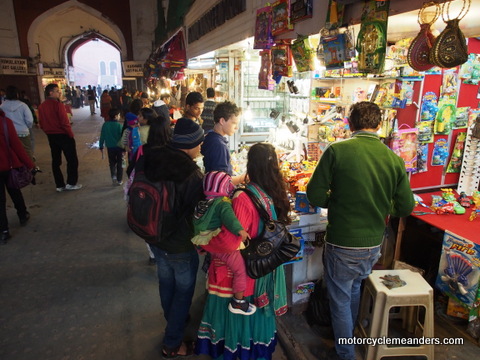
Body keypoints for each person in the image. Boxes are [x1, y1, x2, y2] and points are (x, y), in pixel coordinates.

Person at [306, 101, 415, 360]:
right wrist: (380, 204)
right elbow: (405, 206)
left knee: (341, 300)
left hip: (343, 242)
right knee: (353, 289)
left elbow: (314, 194)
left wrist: (337, 200)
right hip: (373, 244)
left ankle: (346, 354)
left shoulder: (337, 150)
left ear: (350, 124)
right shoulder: (394, 158)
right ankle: (349, 338)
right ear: (379, 125)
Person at [196, 142, 291, 360]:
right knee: (254, 319)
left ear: (250, 165)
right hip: (261, 271)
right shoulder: (270, 194)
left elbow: (230, 242)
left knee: (235, 320)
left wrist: (204, 243)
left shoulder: (243, 197)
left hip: (241, 275)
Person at [144, 117, 204, 357]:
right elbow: (199, 212)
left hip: (153, 235)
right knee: (183, 291)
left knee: (166, 283)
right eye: (199, 144)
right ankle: (172, 344)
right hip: (179, 243)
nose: (201, 148)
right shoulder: (190, 172)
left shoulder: (152, 156)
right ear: (190, 145)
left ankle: (174, 322)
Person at [192, 171, 254, 315]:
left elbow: (196, 224)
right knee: (240, 271)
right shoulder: (223, 203)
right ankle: (238, 302)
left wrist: (200, 245)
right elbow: (230, 219)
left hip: (207, 243)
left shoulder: (203, 203)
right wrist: (241, 231)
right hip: (221, 248)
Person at [126, 115, 172, 266]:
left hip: (146, 197)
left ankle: (153, 253)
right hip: (165, 201)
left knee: (149, 223)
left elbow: (130, 171)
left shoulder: (143, 150)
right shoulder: (171, 152)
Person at [37, 83, 82, 192]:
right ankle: (71, 183)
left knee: (56, 160)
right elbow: (64, 122)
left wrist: (48, 131)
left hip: (51, 136)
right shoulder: (58, 105)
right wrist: (70, 134)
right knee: (72, 159)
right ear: (50, 93)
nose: (59, 93)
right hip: (63, 134)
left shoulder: (42, 106)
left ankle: (59, 185)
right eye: (57, 91)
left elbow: (41, 123)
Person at [0, 109, 35, 243]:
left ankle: (4, 230)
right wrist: (30, 164)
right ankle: (22, 215)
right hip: (9, 166)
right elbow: (16, 145)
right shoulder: (5, 122)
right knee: (14, 191)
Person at [201, 101, 244, 184]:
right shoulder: (219, 145)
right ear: (222, 121)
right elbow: (222, 182)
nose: (237, 128)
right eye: (234, 123)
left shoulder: (210, 135)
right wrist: (243, 178)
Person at [0, 85, 35, 163]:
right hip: (23, 133)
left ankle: (16, 170)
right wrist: (27, 127)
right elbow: (29, 120)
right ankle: (30, 170)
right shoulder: (23, 105)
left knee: (13, 152)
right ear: (17, 94)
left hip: (8, 133)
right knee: (27, 151)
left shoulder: (2, 106)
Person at [99, 108, 124, 185]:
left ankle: (113, 176)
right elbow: (123, 137)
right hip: (119, 148)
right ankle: (119, 180)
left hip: (110, 147)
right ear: (116, 116)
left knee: (112, 162)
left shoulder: (105, 125)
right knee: (120, 163)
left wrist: (101, 146)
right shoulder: (119, 126)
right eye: (119, 115)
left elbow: (102, 136)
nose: (120, 116)